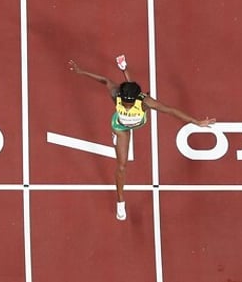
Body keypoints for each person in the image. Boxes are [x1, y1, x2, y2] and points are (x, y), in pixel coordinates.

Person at [69, 55, 215, 220]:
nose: (126, 106)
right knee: (122, 166)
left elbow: (171, 110)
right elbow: (105, 80)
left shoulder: (145, 102)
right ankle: (120, 202)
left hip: (138, 118)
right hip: (121, 128)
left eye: (129, 104)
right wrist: (81, 72)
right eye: (124, 103)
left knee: (140, 93)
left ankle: (124, 68)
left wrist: (196, 122)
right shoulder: (116, 94)